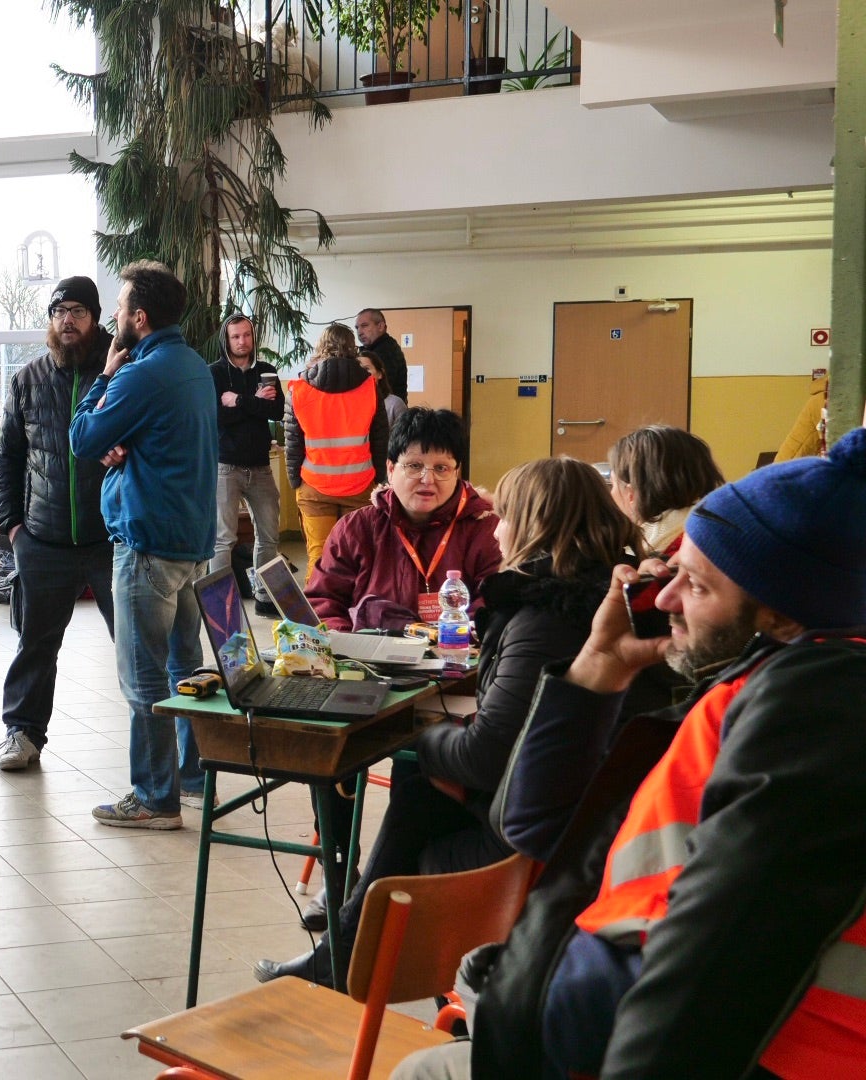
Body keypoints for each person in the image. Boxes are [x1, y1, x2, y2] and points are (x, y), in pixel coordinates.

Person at [392, 427, 866, 1080]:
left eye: (696, 586)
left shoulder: (817, 709)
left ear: (786, 621)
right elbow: (533, 826)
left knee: (422, 1073)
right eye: (673, 572)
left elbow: (710, 970)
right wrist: (596, 673)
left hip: (751, 1057)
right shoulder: (749, 692)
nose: (665, 598)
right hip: (595, 1014)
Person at [257, 456, 643, 988]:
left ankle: (345, 956)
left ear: (534, 525)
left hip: (532, 847)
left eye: (504, 516)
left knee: (418, 783)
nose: (496, 528)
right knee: (422, 787)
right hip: (584, 820)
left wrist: (416, 737)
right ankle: (342, 952)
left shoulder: (543, 620)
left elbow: (488, 758)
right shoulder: (601, 598)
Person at [68, 260, 217, 830]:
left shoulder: (139, 373)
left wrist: (104, 377)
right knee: (185, 665)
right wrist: (125, 442)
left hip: (147, 545)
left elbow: (83, 438)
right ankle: (193, 774)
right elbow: (160, 439)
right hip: (191, 545)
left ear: (140, 317)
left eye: (120, 306)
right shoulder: (195, 368)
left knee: (143, 677)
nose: (113, 316)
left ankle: (156, 798)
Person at [0, 275, 115, 771]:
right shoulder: (27, 380)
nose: (67, 320)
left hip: (110, 537)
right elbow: (8, 457)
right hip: (42, 539)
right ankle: (21, 733)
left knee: (135, 646)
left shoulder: (120, 373)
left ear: (95, 318)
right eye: (59, 310)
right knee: (35, 644)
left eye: (78, 311)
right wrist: (13, 527)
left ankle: (162, 744)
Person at [307, 407, 502, 633]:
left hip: (456, 658)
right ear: (390, 469)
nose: (428, 479)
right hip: (369, 662)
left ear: (456, 472)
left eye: (441, 468)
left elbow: (495, 607)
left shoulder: (486, 530)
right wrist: (349, 647)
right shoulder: (356, 529)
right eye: (414, 466)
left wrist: (451, 641)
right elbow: (323, 601)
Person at [284, 323, 389, 572]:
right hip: (359, 486)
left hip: (314, 487)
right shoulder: (370, 388)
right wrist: (379, 480)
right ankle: (354, 610)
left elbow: (293, 442)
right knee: (357, 561)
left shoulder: (298, 389)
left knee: (319, 560)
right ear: (352, 348)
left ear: (320, 348)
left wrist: (294, 481)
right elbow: (380, 440)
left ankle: (320, 611)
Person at [210, 313, 284, 616]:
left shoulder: (266, 372)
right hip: (226, 466)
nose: (242, 341)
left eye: (246, 335)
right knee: (222, 539)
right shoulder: (213, 373)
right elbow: (215, 417)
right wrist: (255, 404)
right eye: (235, 336)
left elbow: (277, 411)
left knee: (268, 535)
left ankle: (265, 598)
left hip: (260, 466)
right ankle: (219, 602)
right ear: (226, 340)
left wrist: (239, 401)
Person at [606, 425, 724, 560]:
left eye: (613, 485)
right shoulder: (721, 530)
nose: (611, 495)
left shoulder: (650, 562)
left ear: (631, 494)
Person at [355, 306, 408, 402]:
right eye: (357, 327)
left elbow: (379, 389)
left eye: (364, 325)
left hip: (387, 412)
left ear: (380, 326)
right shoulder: (373, 349)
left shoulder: (386, 350)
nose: (359, 332)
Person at [360, 349, 407, 428]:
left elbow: (403, 437)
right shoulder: (349, 403)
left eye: (366, 369)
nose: (361, 373)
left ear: (380, 374)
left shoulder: (394, 404)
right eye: (358, 369)